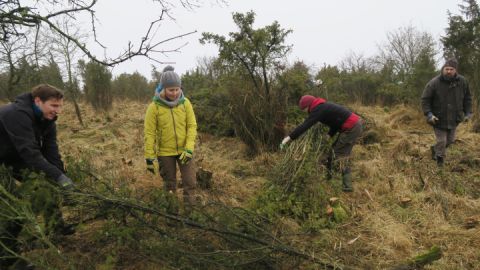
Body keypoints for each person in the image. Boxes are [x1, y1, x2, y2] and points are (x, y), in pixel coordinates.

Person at [0, 84, 75, 269]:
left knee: (44, 186)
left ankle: (56, 226)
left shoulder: (47, 119)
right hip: (7, 160)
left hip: (12, 157)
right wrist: (58, 177)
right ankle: (7, 258)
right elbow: (31, 153)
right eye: (54, 106)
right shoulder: (15, 114)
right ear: (37, 101)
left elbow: (51, 153)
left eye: (60, 106)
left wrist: (61, 179)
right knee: (14, 207)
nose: (58, 111)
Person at [280, 95, 363, 192]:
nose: (307, 112)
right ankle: (330, 178)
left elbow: (306, 125)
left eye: (305, 109)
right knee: (334, 151)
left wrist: (289, 137)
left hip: (352, 127)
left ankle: (347, 185)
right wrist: (329, 135)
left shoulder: (318, 109)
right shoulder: (323, 106)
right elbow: (336, 122)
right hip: (352, 126)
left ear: (309, 105)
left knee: (340, 155)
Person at [144, 65, 198, 210]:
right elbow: (149, 133)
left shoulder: (185, 103)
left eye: (177, 89)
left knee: (190, 182)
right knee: (169, 185)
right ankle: (172, 216)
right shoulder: (154, 107)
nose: (174, 93)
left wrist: (189, 149)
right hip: (165, 153)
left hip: (184, 151)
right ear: (163, 89)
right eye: (171, 90)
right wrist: (149, 157)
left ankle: (191, 214)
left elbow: (192, 126)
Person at [421, 58, 472, 167]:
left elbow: (467, 98)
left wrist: (468, 113)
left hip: (454, 118)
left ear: (456, 70)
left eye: (451, 69)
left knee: (450, 141)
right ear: (443, 69)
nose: (448, 71)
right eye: (446, 69)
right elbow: (425, 99)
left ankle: (434, 149)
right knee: (442, 141)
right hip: (438, 118)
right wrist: (429, 114)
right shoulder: (434, 83)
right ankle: (440, 162)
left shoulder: (462, 82)